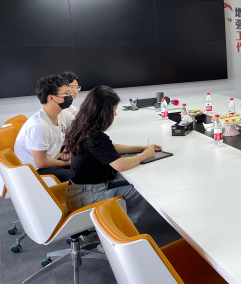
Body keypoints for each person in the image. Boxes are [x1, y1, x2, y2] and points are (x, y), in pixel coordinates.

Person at [64, 85, 161, 233]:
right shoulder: (96, 137)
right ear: (102, 112)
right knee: (145, 190)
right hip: (88, 196)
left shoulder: (82, 127)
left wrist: (140, 148)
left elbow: (109, 148)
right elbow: (120, 165)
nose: (115, 114)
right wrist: (144, 155)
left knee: (137, 184)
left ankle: (111, 227)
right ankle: (119, 231)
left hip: (77, 193)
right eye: (113, 110)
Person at [14, 75, 76, 182]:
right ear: (51, 98)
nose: (70, 96)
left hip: (51, 161)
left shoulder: (62, 113)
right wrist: (68, 162)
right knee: (80, 176)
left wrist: (68, 148)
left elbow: (77, 129)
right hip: (36, 171)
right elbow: (41, 163)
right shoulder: (39, 126)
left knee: (88, 164)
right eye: (66, 93)